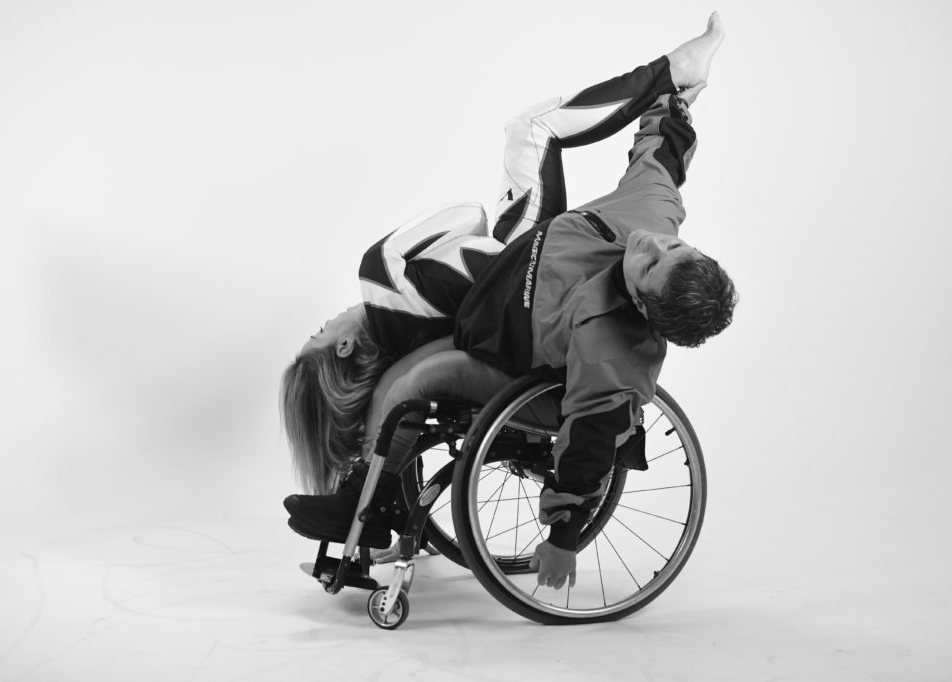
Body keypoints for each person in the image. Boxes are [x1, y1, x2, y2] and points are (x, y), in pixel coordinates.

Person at [283, 12, 737, 586]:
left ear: (644, 307)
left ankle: (364, 508)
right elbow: (660, 158)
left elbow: (590, 447)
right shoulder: (651, 218)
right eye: (669, 246)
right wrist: (674, 102)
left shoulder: (611, 354)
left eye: (648, 262)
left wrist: (564, 539)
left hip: (517, 360)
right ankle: (671, 70)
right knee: (530, 128)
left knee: (408, 378)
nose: (647, 243)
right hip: (522, 258)